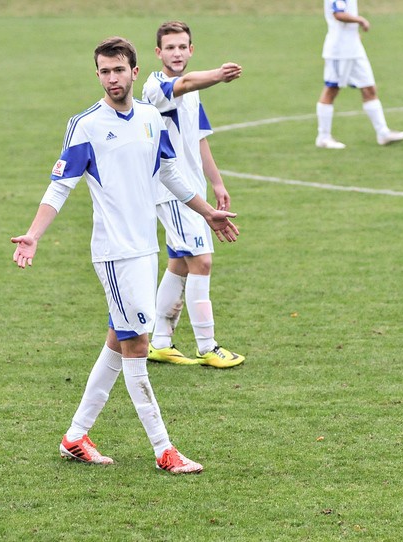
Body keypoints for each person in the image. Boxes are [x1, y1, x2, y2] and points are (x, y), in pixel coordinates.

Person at [11, 37, 239, 474]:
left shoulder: (153, 119)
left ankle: (75, 436)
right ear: (97, 75)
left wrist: (208, 212)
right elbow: (60, 186)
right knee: (137, 343)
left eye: (118, 70)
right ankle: (164, 450)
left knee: (120, 339)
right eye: (104, 71)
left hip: (145, 248)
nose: (112, 78)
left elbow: (170, 173)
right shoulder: (87, 125)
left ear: (135, 72)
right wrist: (34, 234)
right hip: (114, 254)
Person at [141, 20, 245, 369]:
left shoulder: (192, 90)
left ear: (191, 49)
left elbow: (198, 138)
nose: (177, 52)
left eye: (182, 46)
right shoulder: (157, 86)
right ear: (158, 53)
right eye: (170, 47)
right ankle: (207, 345)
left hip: (191, 188)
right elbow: (183, 82)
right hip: (171, 192)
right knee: (202, 261)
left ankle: (160, 342)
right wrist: (218, 74)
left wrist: (217, 183)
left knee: (180, 264)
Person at [315, 0, 403, 149]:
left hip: (354, 49)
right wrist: (360, 20)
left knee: (369, 89)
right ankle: (323, 137)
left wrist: (354, 33)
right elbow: (338, 14)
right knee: (331, 90)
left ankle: (383, 133)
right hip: (340, 50)